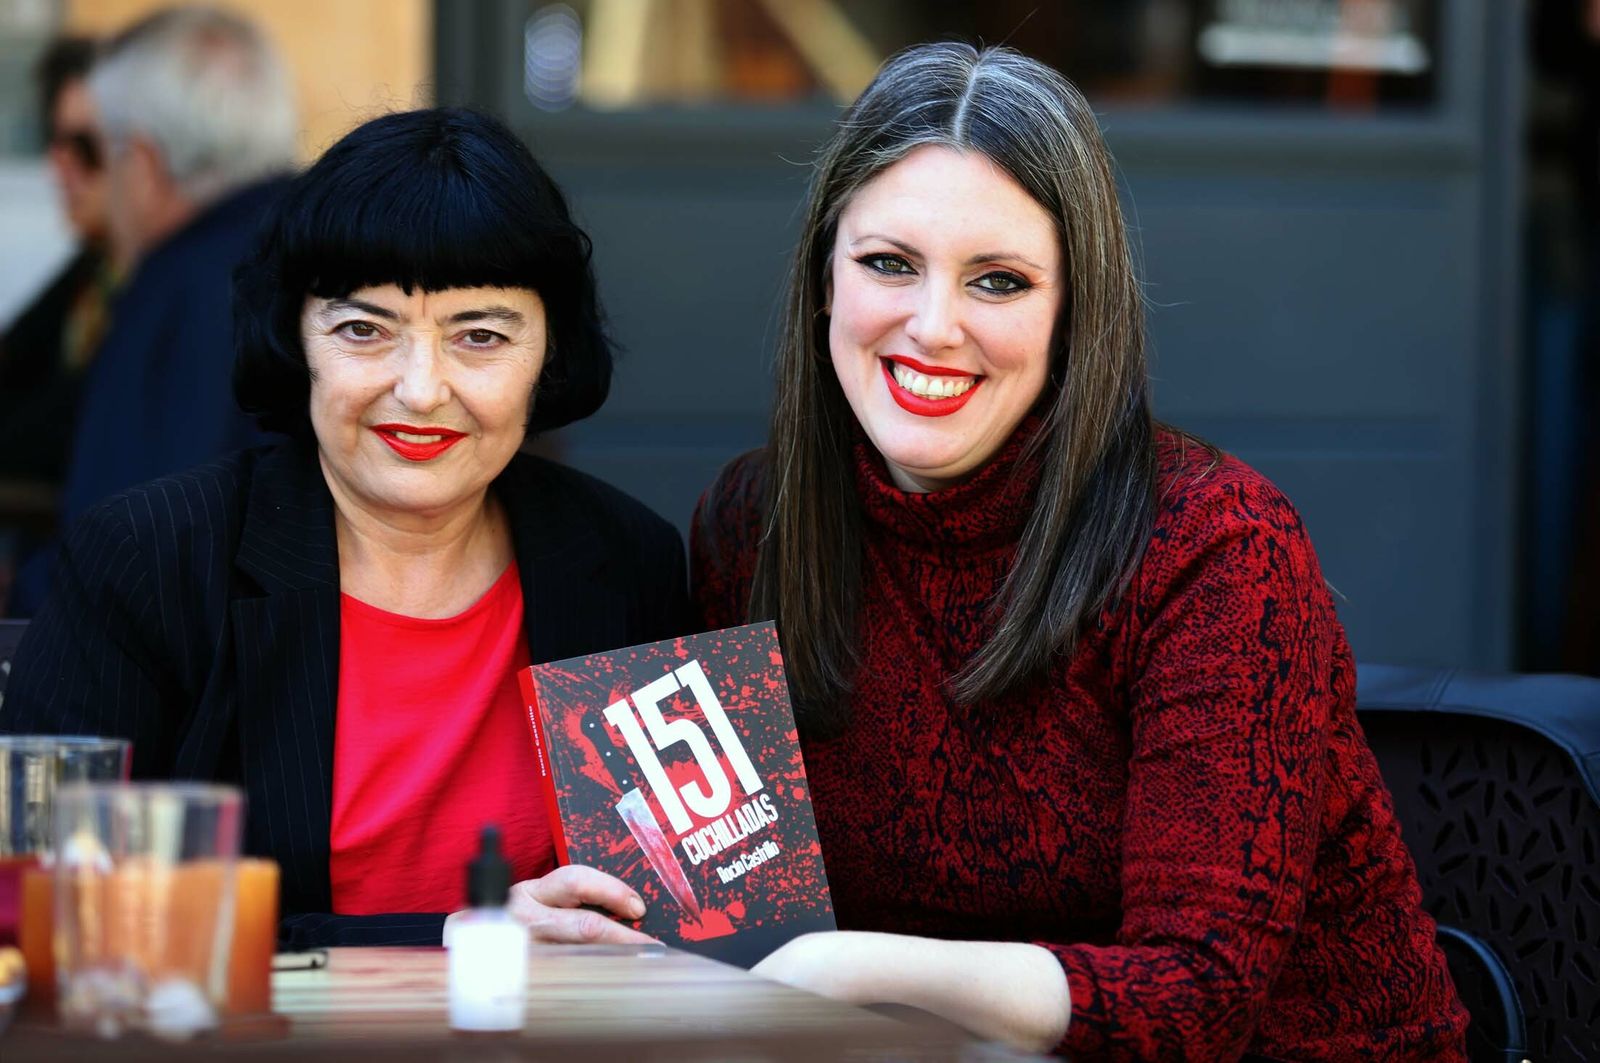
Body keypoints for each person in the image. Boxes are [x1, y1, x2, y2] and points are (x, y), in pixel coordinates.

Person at [689, 43, 1469, 1060]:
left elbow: (1199, 995)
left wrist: (852, 966)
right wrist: (610, 921)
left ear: (1072, 313)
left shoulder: (1212, 546)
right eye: (888, 263)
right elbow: (728, 922)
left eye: (999, 281)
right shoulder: (754, 524)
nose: (933, 327)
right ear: (824, 280)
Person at [3, 108, 689, 949]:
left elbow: (697, 911)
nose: (422, 388)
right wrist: (460, 935)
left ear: (549, 354)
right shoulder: (150, 558)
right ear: (297, 340)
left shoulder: (630, 563)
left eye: (480, 336)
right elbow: (52, 908)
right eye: (364, 329)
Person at [8, 6, 297, 615]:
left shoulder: (179, 288)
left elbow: (122, 555)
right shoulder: (318, 252)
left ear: (139, 162)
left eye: (100, 152)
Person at [0, 36, 117, 486]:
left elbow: (58, 429)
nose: (60, 167)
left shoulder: (156, 282)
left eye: (86, 147)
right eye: (55, 143)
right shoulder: (96, 267)